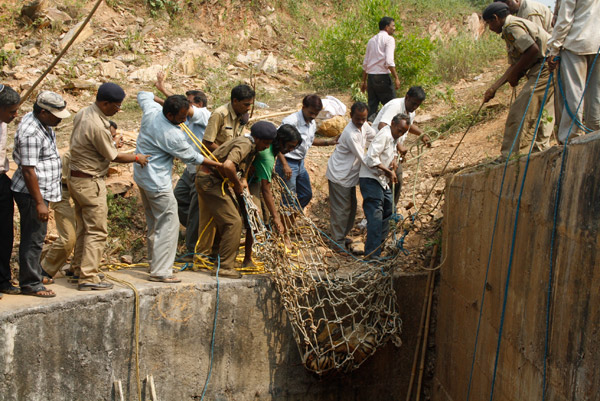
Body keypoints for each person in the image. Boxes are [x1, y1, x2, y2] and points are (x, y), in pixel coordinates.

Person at [68, 82, 149, 291]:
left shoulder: (84, 113)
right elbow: (113, 156)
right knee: (97, 230)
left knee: (84, 226)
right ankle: (88, 276)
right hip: (90, 181)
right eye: (117, 106)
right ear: (105, 103)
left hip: (76, 178)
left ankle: (78, 267)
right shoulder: (97, 124)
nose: (118, 110)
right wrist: (136, 157)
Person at [134, 91, 221, 283]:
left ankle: (154, 262)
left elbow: (143, 94)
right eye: (181, 118)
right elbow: (192, 157)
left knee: (154, 223)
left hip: (142, 178)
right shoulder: (172, 134)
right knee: (168, 225)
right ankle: (162, 271)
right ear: (170, 115)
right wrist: (220, 165)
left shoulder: (152, 111)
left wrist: (159, 98)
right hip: (157, 183)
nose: (184, 121)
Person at [196, 122, 275, 278]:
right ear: (257, 138)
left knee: (232, 218)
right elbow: (228, 165)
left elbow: (242, 176)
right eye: (265, 143)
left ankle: (218, 257)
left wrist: (250, 201)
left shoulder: (252, 148)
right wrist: (237, 185)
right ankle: (225, 267)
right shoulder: (246, 144)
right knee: (233, 222)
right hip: (210, 181)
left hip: (216, 182)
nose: (267, 147)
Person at [11, 91, 70, 297]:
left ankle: (34, 274)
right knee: (33, 238)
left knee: (37, 235)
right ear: (43, 113)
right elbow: (28, 170)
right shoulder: (31, 133)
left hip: (43, 190)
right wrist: (39, 203)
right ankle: (30, 283)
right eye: (55, 116)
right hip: (32, 193)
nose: (59, 120)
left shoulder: (42, 123)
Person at [483, 2, 555, 159]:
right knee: (544, 110)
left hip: (545, 66)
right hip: (549, 65)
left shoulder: (510, 27)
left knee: (520, 109)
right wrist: (493, 88)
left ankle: (510, 156)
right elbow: (514, 65)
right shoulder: (512, 26)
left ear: (495, 18)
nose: (489, 28)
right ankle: (539, 150)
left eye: (489, 23)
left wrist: (516, 73)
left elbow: (533, 50)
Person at [155, 72, 211, 260]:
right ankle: (203, 230)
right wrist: (163, 89)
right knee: (178, 201)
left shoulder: (203, 115)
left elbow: (181, 107)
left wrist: (159, 95)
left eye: (189, 102)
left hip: (201, 170)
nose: (185, 106)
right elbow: (180, 105)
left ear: (199, 104)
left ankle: (192, 251)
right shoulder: (186, 118)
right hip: (190, 170)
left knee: (195, 211)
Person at [243, 123, 302, 266]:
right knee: (256, 218)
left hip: (255, 179)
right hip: (249, 183)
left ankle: (266, 250)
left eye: (294, 147)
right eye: (289, 146)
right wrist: (277, 218)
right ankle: (247, 259)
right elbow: (266, 189)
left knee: (265, 217)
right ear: (280, 140)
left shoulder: (273, 146)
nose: (290, 150)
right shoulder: (267, 156)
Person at [547, 0, 600, 143]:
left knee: (574, 93)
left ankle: (571, 137)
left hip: (576, 43)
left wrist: (554, 48)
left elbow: (564, 20)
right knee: (596, 93)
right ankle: (595, 133)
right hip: (597, 44)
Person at [359, 113, 410, 260]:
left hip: (381, 180)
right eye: (399, 130)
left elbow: (392, 151)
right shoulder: (384, 135)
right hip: (370, 178)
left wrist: (393, 161)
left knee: (389, 209)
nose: (400, 134)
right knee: (375, 215)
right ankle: (372, 253)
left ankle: (378, 246)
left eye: (403, 132)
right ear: (392, 124)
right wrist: (388, 171)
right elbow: (370, 159)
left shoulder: (394, 137)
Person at [325, 102, 375, 251]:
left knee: (351, 208)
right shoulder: (350, 133)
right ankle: (337, 242)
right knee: (341, 210)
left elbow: (375, 137)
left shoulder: (363, 126)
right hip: (340, 176)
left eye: (363, 119)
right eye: (357, 119)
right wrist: (382, 168)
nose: (360, 122)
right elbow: (364, 158)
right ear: (351, 116)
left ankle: (341, 236)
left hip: (349, 175)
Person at [275, 94, 338, 209]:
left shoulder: (311, 122)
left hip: (300, 164)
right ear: (303, 107)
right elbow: (276, 141)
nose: (313, 116)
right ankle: (283, 223)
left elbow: (310, 140)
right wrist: (284, 164)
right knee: (288, 198)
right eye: (311, 113)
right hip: (288, 162)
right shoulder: (291, 121)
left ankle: (290, 219)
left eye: (316, 114)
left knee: (306, 194)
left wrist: (329, 142)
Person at [372, 86, 429, 206]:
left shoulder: (410, 112)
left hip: (390, 150)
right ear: (407, 97)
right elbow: (383, 125)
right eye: (413, 103)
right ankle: (377, 215)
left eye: (417, 105)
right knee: (381, 182)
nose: (414, 107)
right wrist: (398, 146)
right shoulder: (396, 106)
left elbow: (408, 126)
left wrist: (421, 134)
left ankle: (389, 213)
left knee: (395, 180)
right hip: (379, 148)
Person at [40, 151, 76, 280]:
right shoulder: (71, 154)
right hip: (63, 193)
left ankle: (76, 269)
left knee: (86, 234)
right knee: (69, 238)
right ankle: (45, 269)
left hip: (80, 193)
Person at [0, 84, 20, 299]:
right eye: (11, 111)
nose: (15, 115)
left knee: (5, 234)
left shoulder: (4, 122)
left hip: (2, 179)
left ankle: (3, 280)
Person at [361, 16, 401, 121]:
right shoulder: (389, 39)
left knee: (372, 106)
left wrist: (364, 81)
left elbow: (366, 63)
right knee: (392, 106)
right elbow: (389, 61)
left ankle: (370, 129)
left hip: (371, 77)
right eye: (393, 26)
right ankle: (390, 129)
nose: (394, 28)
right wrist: (396, 77)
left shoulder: (371, 41)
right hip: (383, 77)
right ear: (387, 27)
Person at [202, 84, 254, 152]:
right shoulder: (219, 114)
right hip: (215, 159)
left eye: (250, 105)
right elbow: (207, 143)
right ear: (235, 101)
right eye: (246, 104)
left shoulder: (242, 115)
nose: (249, 108)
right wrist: (227, 154)